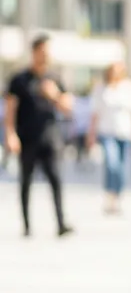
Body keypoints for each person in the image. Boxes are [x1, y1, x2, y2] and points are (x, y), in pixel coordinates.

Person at [3, 34, 74, 237]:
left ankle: (61, 223)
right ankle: (26, 225)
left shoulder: (55, 78)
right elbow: (10, 110)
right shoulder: (20, 80)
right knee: (26, 181)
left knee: (56, 179)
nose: (46, 56)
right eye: (43, 52)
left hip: (50, 137)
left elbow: (69, 107)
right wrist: (10, 134)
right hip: (27, 137)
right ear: (34, 52)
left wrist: (55, 95)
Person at [88, 62, 131, 215]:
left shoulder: (130, 87)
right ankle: (109, 194)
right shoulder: (101, 88)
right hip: (107, 132)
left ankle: (117, 196)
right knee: (111, 164)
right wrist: (91, 134)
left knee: (122, 167)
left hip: (125, 133)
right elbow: (95, 113)